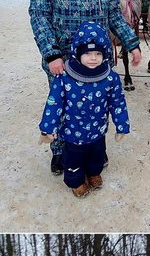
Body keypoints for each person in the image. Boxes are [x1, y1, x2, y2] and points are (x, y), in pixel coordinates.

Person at [29, 0, 141, 175]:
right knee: (63, 109)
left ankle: (92, 149)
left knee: (97, 108)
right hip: (64, 61)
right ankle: (60, 153)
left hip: (97, 60)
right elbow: (39, 14)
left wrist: (131, 42)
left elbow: (114, 14)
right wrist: (51, 53)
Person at [39, 21, 131, 197]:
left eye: (98, 53)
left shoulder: (110, 78)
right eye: (88, 53)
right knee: (74, 159)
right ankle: (76, 181)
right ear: (77, 53)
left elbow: (117, 102)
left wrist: (122, 126)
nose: (93, 58)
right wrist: (47, 128)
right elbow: (54, 103)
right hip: (73, 133)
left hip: (98, 130)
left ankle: (94, 172)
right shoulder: (65, 78)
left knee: (97, 155)